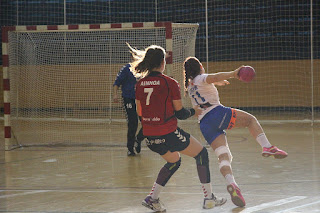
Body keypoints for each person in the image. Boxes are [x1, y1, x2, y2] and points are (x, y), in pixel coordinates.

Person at [127, 43, 227, 212]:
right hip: (168, 132)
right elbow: (180, 113)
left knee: (174, 161)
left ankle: (152, 198)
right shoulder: (169, 83)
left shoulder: (140, 84)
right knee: (201, 154)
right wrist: (194, 111)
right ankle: (209, 199)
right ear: (162, 63)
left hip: (150, 136)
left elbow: (140, 112)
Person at [183, 56, 288, 207]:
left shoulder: (191, 84)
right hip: (216, 113)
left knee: (224, 156)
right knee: (251, 120)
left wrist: (216, 82)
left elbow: (211, 81)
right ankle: (267, 146)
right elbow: (215, 76)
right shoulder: (201, 78)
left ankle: (232, 184)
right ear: (200, 66)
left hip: (205, 124)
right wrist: (234, 73)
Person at [113, 57, 145, 156]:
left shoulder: (144, 69)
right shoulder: (126, 69)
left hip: (141, 100)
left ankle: (138, 139)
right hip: (129, 99)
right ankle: (130, 148)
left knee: (147, 122)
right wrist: (115, 94)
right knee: (133, 122)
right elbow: (117, 82)